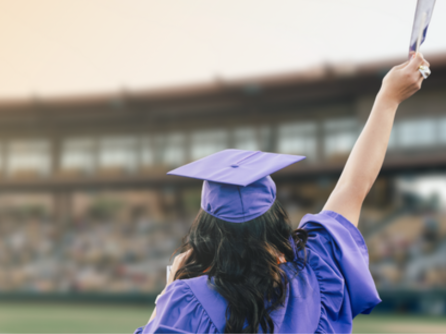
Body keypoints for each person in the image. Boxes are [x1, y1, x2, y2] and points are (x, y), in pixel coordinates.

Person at [134, 52, 431, 334]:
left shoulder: (187, 302)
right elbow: (354, 186)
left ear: (207, 234)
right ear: (275, 222)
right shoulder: (317, 273)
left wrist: (169, 290)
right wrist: (388, 99)